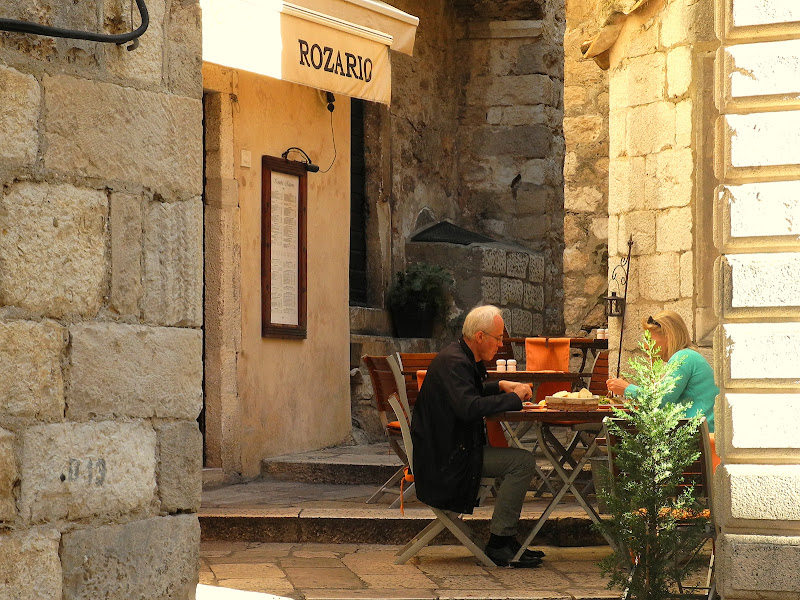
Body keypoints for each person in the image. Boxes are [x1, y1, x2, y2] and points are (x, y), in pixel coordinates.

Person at [410, 304, 543, 568]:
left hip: (450, 451)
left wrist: (500, 386)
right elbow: (468, 407)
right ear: (480, 336)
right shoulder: (456, 362)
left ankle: (505, 539)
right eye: (498, 338)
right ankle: (499, 543)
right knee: (522, 463)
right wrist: (513, 398)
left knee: (518, 461)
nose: (501, 344)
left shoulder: (459, 358)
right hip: (447, 461)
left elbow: (470, 394)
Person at [606, 310, 719, 432]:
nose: (645, 346)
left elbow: (661, 401)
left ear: (668, 336)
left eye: (649, 340)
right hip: (699, 434)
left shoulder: (684, 357)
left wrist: (627, 389)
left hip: (704, 439)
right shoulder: (687, 356)